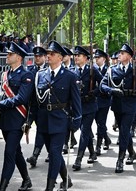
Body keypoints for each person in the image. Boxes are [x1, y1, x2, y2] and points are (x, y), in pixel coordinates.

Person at [35, 40, 82, 191]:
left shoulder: (69, 76)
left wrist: (76, 121)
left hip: (60, 119)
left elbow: (76, 101)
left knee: (55, 152)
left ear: (60, 58)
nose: (48, 56)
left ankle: (49, 186)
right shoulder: (41, 75)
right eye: (47, 53)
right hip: (44, 120)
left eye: (52, 54)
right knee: (53, 153)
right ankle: (66, 179)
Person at [99, 43, 136, 173]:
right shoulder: (113, 70)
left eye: (122, 53)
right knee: (124, 130)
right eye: (119, 53)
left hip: (131, 104)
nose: (119, 55)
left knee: (124, 130)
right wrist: (112, 90)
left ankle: (120, 159)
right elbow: (102, 85)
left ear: (129, 56)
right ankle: (132, 152)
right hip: (117, 104)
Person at [0, 42, 34, 191]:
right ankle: (26, 180)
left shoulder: (26, 75)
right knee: (16, 151)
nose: (7, 56)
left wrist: (1, 103)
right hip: (5, 120)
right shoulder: (6, 74)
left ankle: (3, 186)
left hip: (18, 120)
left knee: (9, 152)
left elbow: (22, 98)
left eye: (10, 54)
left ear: (18, 57)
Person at [72, 45, 103, 171]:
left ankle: (78, 159)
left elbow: (103, 83)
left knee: (84, 131)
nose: (76, 58)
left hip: (90, 106)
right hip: (78, 107)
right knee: (85, 130)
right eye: (75, 55)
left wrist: (94, 92)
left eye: (78, 56)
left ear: (85, 58)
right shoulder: (73, 71)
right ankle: (92, 152)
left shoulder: (92, 70)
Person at [26, 46, 49, 167]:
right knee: (39, 129)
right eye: (36, 56)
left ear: (45, 57)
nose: (37, 58)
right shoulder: (30, 70)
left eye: (40, 56)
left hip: (44, 105)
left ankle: (35, 155)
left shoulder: (49, 70)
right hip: (32, 104)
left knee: (41, 130)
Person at [93, 49, 112, 156]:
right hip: (95, 100)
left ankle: (98, 145)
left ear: (103, 59)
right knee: (98, 122)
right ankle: (106, 138)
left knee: (101, 123)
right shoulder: (93, 69)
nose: (96, 59)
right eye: (95, 58)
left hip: (104, 100)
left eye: (98, 58)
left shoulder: (108, 69)